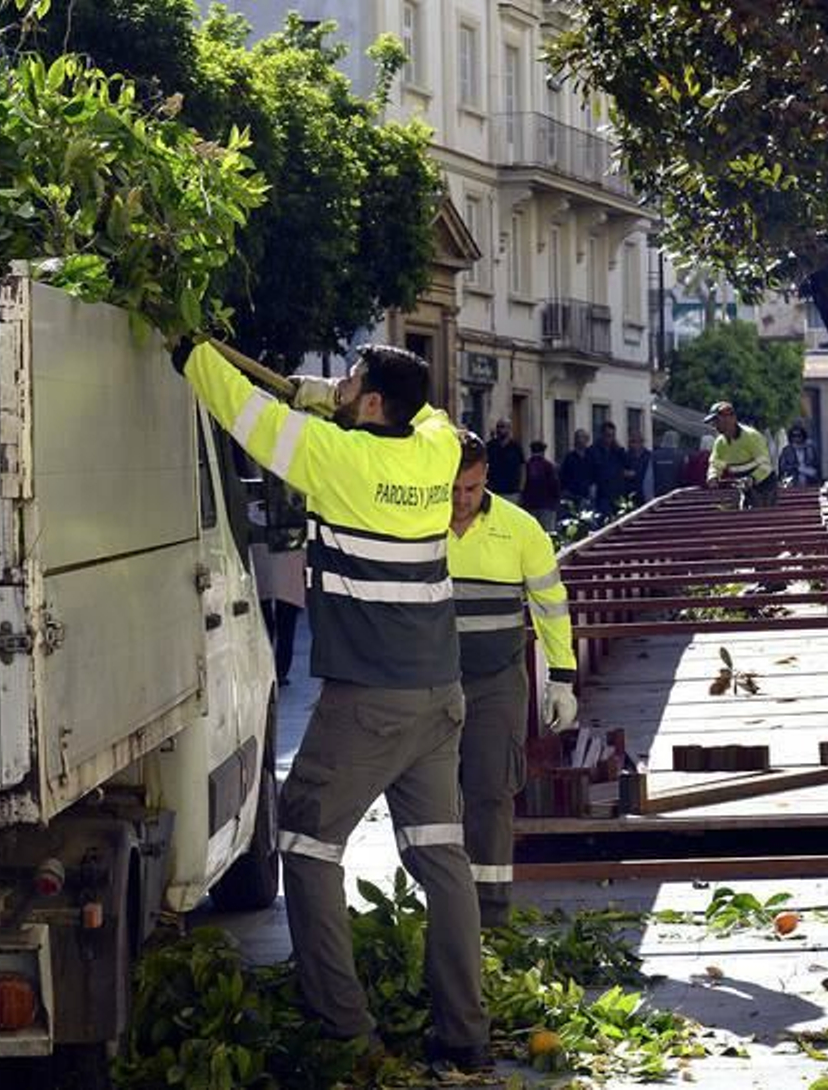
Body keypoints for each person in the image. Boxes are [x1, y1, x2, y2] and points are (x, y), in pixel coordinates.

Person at [172, 338, 491, 1073]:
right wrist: (327, 394)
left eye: (351, 383)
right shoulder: (435, 452)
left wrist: (190, 347)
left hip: (368, 701)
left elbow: (240, 409)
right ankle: (465, 1035)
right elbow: (438, 415)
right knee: (441, 855)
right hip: (439, 694)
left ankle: (344, 1031)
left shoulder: (335, 459)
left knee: (307, 847)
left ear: (373, 405)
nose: (340, 388)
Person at [447, 432, 578, 928]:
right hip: (430, 682)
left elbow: (550, 605)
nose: (461, 501)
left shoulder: (521, 530)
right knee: (431, 798)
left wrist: (561, 678)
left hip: (496, 681)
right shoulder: (416, 525)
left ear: (488, 482)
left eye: (472, 489)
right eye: (452, 490)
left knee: (491, 791)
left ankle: (492, 913)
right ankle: (447, 910)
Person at [250, 515, 306, 684]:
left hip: (261, 561)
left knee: (264, 623)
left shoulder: (249, 505)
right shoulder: (291, 508)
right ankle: (279, 671)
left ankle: (265, 670)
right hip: (289, 557)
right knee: (286, 624)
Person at [704, 401, 777, 507]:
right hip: (742, 485)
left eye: (717, 420)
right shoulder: (720, 442)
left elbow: (765, 466)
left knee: (762, 519)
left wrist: (752, 479)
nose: (714, 425)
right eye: (713, 422)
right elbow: (716, 464)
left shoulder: (751, 436)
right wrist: (713, 476)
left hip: (764, 486)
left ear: (731, 418)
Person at [587, 421, 633, 514]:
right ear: (602, 435)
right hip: (602, 494)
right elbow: (597, 470)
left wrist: (619, 449)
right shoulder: (593, 451)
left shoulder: (617, 450)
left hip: (618, 493)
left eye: (612, 436)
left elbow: (628, 464)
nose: (610, 439)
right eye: (608, 435)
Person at [519, 440, 561, 531]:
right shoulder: (548, 466)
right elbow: (554, 484)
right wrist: (556, 499)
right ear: (543, 451)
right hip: (547, 505)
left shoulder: (527, 465)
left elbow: (523, 484)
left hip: (530, 505)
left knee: (532, 531)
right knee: (547, 531)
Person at [485, 418, 525, 502]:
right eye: (498, 427)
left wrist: (521, 488)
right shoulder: (490, 446)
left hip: (511, 491)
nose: (500, 430)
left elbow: (522, 467)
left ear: (509, 429)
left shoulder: (515, 447)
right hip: (493, 490)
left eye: (503, 427)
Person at [559, 429, 593, 508]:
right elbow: (563, 475)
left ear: (587, 440)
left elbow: (595, 472)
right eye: (578, 437)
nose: (580, 440)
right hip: (573, 495)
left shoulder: (591, 456)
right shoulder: (570, 457)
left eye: (582, 438)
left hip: (588, 495)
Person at [626, 431, 654, 504]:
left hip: (645, 492)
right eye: (632, 442)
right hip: (630, 491)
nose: (634, 444)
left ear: (641, 442)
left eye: (636, 441)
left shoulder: (649, 456)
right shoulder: (626, 455)